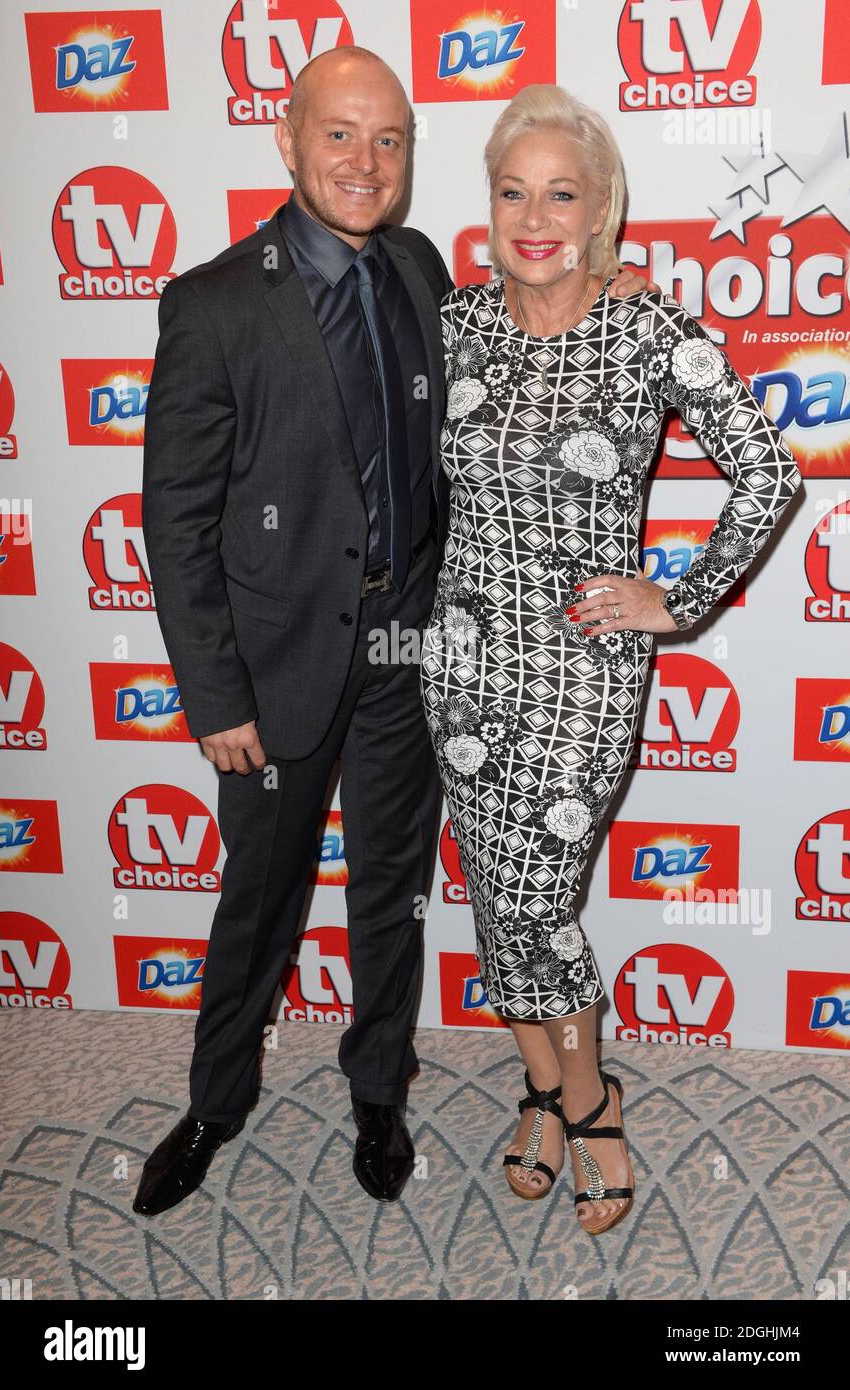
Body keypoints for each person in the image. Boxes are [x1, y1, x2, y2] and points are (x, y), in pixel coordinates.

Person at [136, 48, 650, 1218]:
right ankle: (217, 1099)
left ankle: (379, 1088)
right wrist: (215, 696)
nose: (365, 163)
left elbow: (537, 314)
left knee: (390, 891)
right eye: (339, 134)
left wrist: (609, 281)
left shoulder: (422, 271)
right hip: (271, 673)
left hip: (416, 654)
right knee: (257, 899)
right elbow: (177, 518)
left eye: (390, 141)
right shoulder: (214, 302)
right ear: (287, 137)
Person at [420, 84, 802, 1235]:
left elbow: (768, 474)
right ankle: (542, 1084)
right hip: (461, 663)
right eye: (511, 191)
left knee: (539, 904)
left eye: (561, 195)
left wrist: (674, 600)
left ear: (599, 214)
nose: (534, 217)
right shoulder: (453, 324)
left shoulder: (651, 331)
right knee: (498, 903)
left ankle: (590, 1099)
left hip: (585, 672)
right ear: (488, 204)